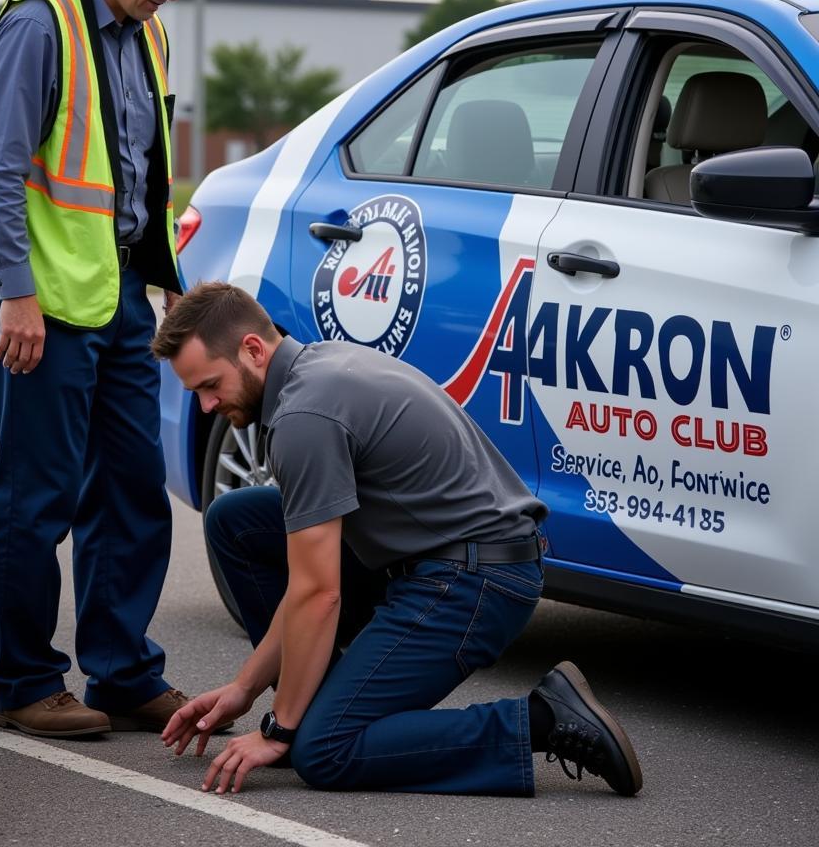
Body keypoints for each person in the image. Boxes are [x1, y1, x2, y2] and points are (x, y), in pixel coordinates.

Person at [152, 282, 643, 797]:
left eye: (210, 385)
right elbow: (308, 587)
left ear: (252, 349)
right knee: (238, 519)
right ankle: (316, 711)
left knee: (326, 751)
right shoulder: (314, 366)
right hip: (444, 556)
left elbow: (318, 594)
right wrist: (243, 688)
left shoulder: (303, 417)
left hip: (477, 580)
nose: (206, 406)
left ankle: (544, 719)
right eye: (196, 394)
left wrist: (279, 728)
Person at [0, 0, 216, 738]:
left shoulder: (149, 33)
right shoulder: (39, 24)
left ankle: (123, 671)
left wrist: (169, 281)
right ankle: (21, 681)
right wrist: (17, 292)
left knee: (133, 486)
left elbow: (143, 171)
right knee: (37, 490)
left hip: (117, 292)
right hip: (34, 300)